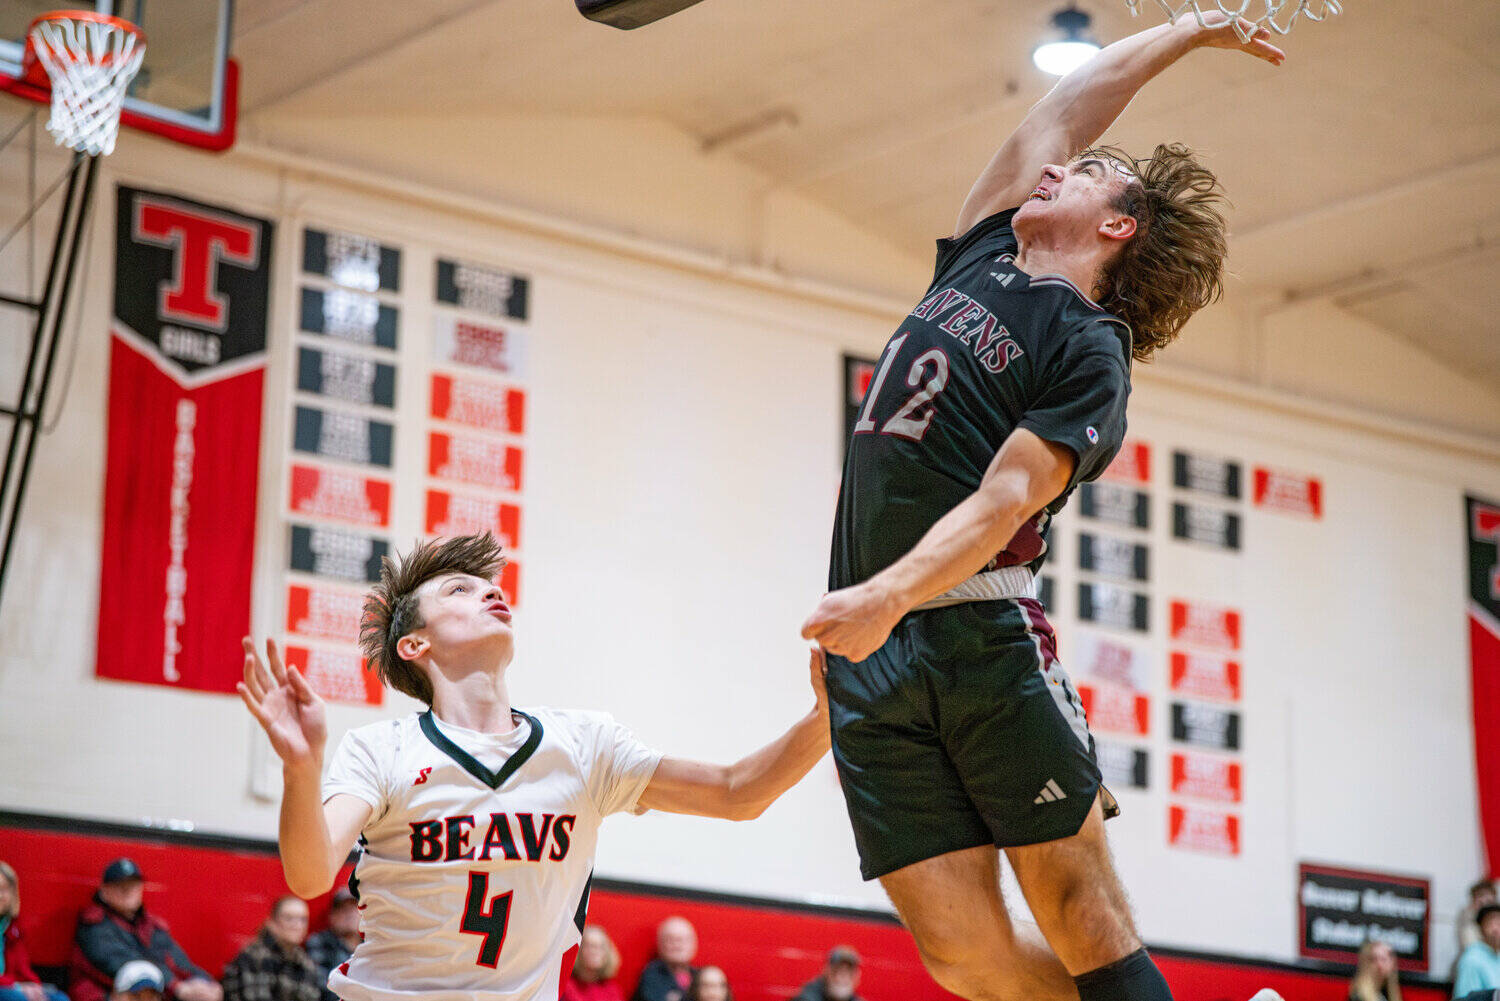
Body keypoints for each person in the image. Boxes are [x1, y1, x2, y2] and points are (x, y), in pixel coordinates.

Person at [799, 11, 1288, 1001]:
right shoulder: (980, 254)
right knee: (962, 955)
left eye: (1092, 174)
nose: (1058, 167)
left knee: (1078, 913)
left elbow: (1006, 496)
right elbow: (1065, 108)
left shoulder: (1089, 347)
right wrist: (1193, 26)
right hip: (873, 652)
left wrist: (884, 594)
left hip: (980, 634)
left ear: (1119, 228)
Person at [237, 533, 829, 1001]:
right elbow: (311, 875)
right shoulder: (382, 748)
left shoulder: (586, 744)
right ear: (414, 645)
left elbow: (737, 793)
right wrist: (301, 768)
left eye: (488, 585)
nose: (490, 592)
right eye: (459, 592)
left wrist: (827, 718)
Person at [68, 860, 220, 1001]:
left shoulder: (152, 926)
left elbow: (181, 963)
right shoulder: (94, 924)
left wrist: (206, 984)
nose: (128, 892)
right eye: (121, 886)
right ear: (105, 890)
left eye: (133, 885)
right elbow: (128, 968)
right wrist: (177, 987)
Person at [220, 897, 322, 1001]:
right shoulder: (253, 957)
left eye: (302, 919)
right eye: (289, 918)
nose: (297, 925)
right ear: (271, 922)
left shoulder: (306, 964)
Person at [0, 861, 67, 1001]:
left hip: (12, 986)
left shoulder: (13, 927)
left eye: (3, 889)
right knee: (15, 998)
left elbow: (22, 968)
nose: (0, 896)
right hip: (8, 989)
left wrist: (36, 988)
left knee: (59, 998)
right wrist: (17, 987)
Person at [302, 890, 358, 1001]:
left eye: (354, 909)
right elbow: (324, 987)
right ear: (332, 916)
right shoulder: (319, 943)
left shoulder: (371, 945)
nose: (349, 915)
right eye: (343, 910)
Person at [631, 918, 698, 1001]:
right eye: (671, 940)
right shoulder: (652, 975)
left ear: (694, 944)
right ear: (660, 944)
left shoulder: (699, 976)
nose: (677, 945)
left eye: (682, 940)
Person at [562, 926, 623, 1001]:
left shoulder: (612, 991)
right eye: (589, 946)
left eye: (600, 947)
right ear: (578, 950)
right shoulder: (565, 986)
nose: (594, 952)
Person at [1455, 905, 1500, 998]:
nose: (1496, 929)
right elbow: (1466, 998)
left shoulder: (1497, 956)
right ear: (1481, 927)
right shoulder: (1472, 958)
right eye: (1492, 923)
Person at [792, 946, 863, 1001]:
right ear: (826, 971)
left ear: (856, 976)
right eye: (836, 971)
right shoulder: (806, 998)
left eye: (848, 973)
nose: (841, 978)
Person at [1462, 883, 1498, 955]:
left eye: (1489, 902)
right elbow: (1470, 947)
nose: (1485, 907)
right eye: (1480, 902)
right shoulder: (1468, 921)